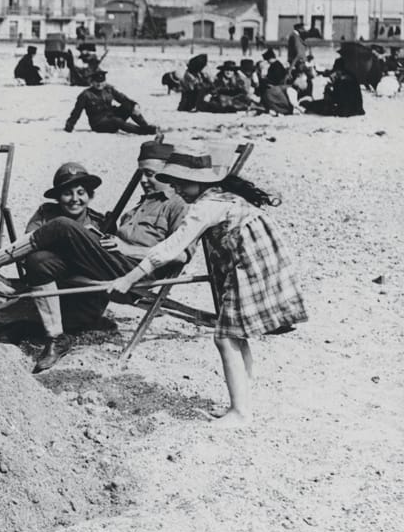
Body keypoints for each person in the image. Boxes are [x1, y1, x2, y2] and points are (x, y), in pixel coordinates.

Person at [108, 151, 307, 427]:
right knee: (235, 332)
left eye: (180, 183)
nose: (176, 189)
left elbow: (170, 248)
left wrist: (129, 278)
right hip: (257, 258)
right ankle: (243, 397)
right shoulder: (220, 195)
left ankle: (240, 412)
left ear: (197, 181)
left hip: (249, 262)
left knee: (224, 338)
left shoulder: (208, 204)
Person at [0, 146, 189, 372]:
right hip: (109, 267)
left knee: (62, 225)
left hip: (134, 274)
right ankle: (56, 337)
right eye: (142, 173)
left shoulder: (178, 205)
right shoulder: (141, 205)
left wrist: (128, 249)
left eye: (150, 174)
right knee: (39, 262)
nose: (144, 180)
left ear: (168, 174)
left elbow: (181, 254)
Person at [65, 70, 156, 134]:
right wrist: (69, 126)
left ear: (105, 81)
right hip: (98, 123)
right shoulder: (85, 95)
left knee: (129, 106)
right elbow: (76, 112)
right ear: (92, 82)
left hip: (111, 115)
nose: (99, 84)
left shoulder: (109, 89)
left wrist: (135, 105)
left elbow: (123, 99)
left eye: (102, 81)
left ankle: (146, 126)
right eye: (97, 82)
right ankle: (142, 131)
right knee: (117, 121)